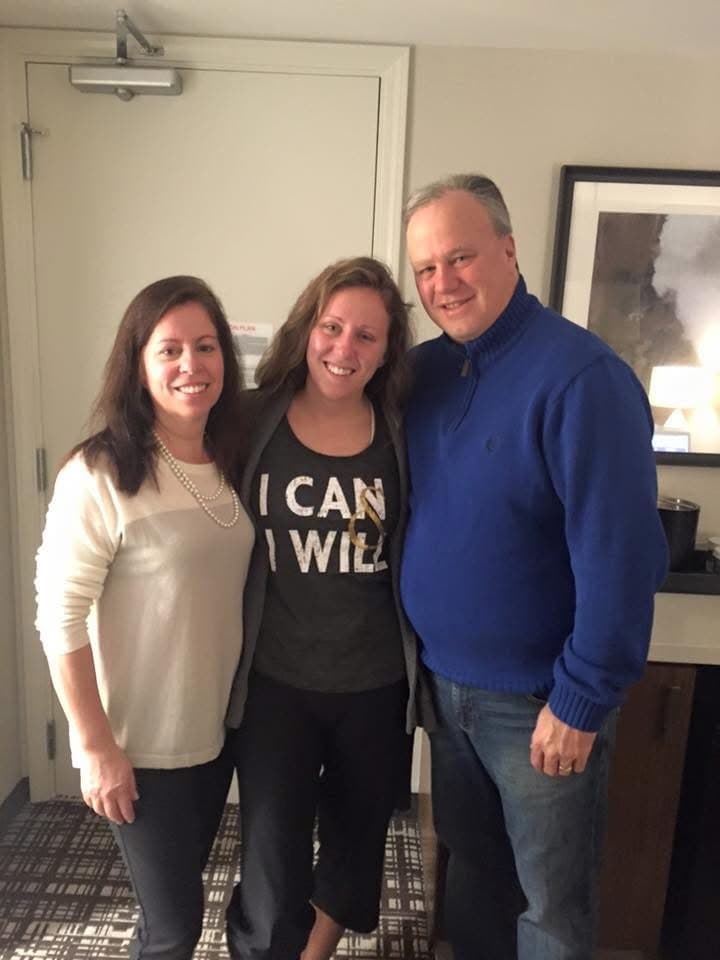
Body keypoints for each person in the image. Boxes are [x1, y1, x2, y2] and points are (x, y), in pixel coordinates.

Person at [400, 174, 669, 960]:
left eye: (461, 257)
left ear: (509, 250)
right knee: (476, 879)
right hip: (446, 696)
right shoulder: (422, 377)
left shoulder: (583, 379)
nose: (443, 283)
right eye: (425, 269)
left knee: (552, 910)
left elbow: (624, 558)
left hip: (540, 704)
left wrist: (583, 698)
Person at [35, 275, 255, 960]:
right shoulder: (99, 475)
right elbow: (59, 617)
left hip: (211, 735)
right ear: (137, 363)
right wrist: (96, 747)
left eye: (207, 346)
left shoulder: (234, 460)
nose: (191, 365)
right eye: (169, 350)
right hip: (136, 745)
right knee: (174, 927)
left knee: (168, 910)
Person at [224, 256, 430, 960]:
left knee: (353, 846)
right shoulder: (251, 423)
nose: (344, 349)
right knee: (272, 858)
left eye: (366, 337)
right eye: (332, 326)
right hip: (276, 684)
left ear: (386, 351)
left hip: (375, 686)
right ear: (307, 328)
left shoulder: (402, 435)